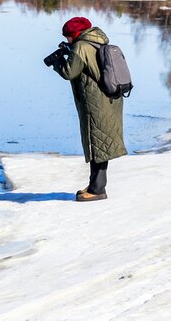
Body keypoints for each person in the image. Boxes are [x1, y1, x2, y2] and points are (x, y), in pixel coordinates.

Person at [47, 16, 127, 202]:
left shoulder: (81, 46)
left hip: (95, 102)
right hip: (109, 100)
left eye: (68, 36)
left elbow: (69, 72)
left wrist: (57, 61)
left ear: (75, 34)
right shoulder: (96, 42)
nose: (67, 39)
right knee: (101, 142)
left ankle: (98, 189)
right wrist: (69, 51)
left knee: (97, 143)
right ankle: (94, 184)